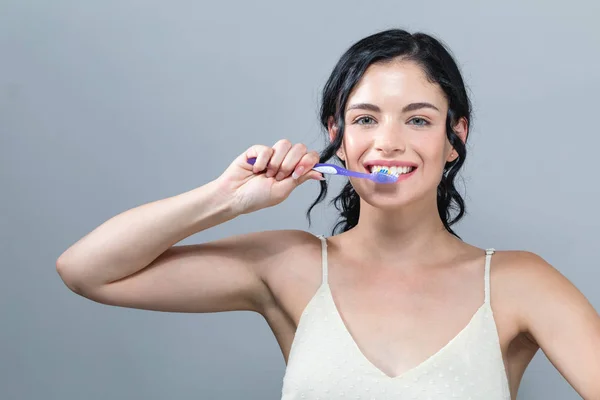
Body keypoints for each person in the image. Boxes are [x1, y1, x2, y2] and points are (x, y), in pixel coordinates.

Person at [56, 29, 600, 399]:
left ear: (454, 137)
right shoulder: (288, 265)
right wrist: (226, 198)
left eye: (417, 120)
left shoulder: (517, 283)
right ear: (336, 136)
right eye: (365, 119)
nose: (388, 142)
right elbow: (85, 270)